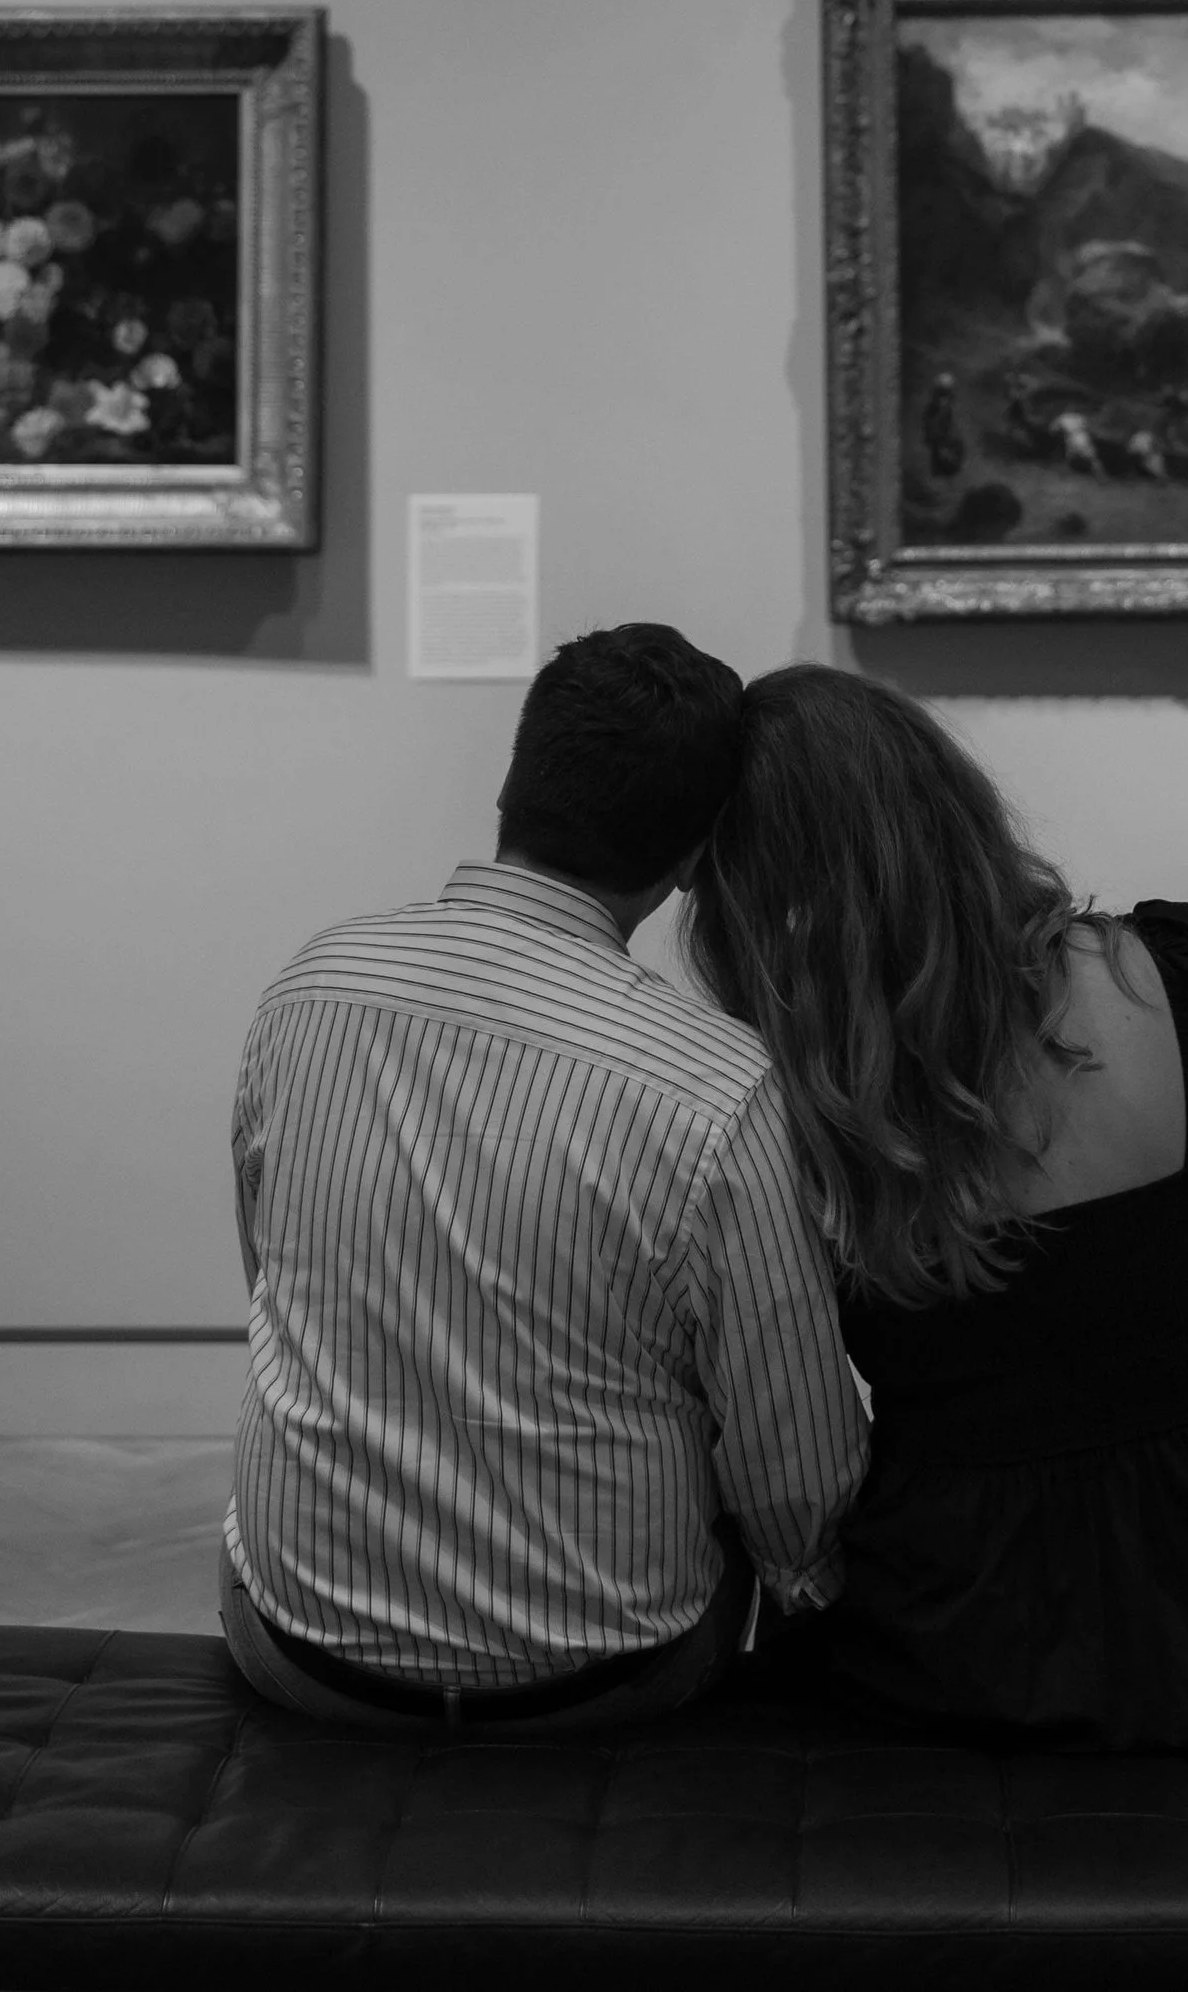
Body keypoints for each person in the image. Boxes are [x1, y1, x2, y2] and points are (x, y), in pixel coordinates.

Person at [687, 667, 1188, 1750]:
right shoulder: (1167, 970)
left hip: (962, 1607)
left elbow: (783, 1410)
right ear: (947, 798)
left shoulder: (790, 1090)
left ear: (752, 883)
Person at [221, 622, 868, 1734]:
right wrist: (817, 1609)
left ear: (514, 784)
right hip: (605, 1687)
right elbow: (794, 1475)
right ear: (692, 856)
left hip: (299, 1653)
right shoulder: (717, 1086)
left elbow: (273, 1288)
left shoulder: (313, 985)